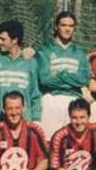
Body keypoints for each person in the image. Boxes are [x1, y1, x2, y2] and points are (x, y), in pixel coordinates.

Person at [37, 11, 90, 139]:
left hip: (74, 100)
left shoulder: (80, 53)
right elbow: (44, 79)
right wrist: (71, 77)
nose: (67, 29)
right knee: (49, 140)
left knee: (71, 141)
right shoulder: (45, 50)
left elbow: (83, 79)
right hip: (51, 99)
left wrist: (61, 74)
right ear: (56, 27)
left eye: (71, 26)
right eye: (64, 25)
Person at [0, 20, 41, 130]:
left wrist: (36, 119)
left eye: (3, 39)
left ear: (15, 40)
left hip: (24, 124)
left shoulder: (30, 62)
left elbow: (35, 94)